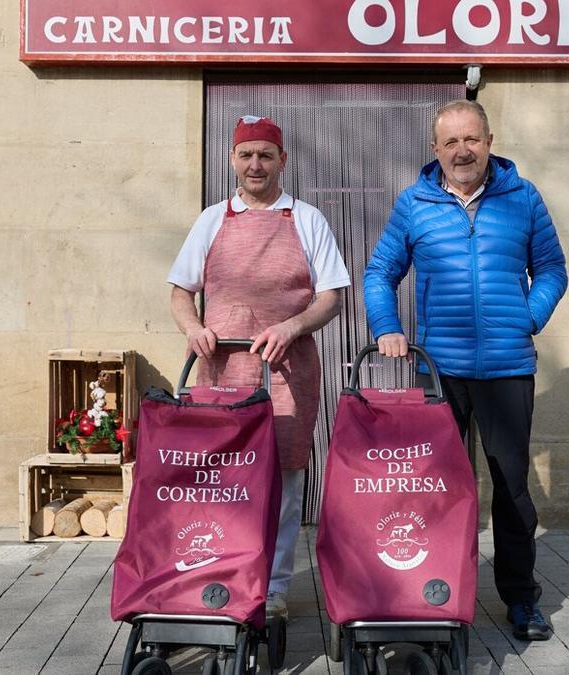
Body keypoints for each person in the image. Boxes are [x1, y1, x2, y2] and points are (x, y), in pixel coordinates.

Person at [363, 100, 567, 641]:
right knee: (433, 488)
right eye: (450, 142)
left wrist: (530, 315)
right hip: (439, 370)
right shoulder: (415, 204)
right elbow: (380, 271)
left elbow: (551, 267)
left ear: (489, 140)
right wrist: (386, 324)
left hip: (507, 368)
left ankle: (521, 599)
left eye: (471, 139)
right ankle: (431, 592)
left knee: (511, 489)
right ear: (435, 150)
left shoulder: (522, 199)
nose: (462, 151)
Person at [168, 115, 350, 619]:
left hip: (287, 373)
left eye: (266, 155)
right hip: (221, 373)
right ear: (232, 160)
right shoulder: (211, 220)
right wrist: (192, 328)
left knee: (285, 483)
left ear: (282, 161)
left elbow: (331, 297)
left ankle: (273, 589)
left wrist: (292, 327)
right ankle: (219, 576)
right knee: (220, 480)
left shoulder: (308, 220)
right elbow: (181, 293)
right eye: (246, 155)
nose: (256, 165)